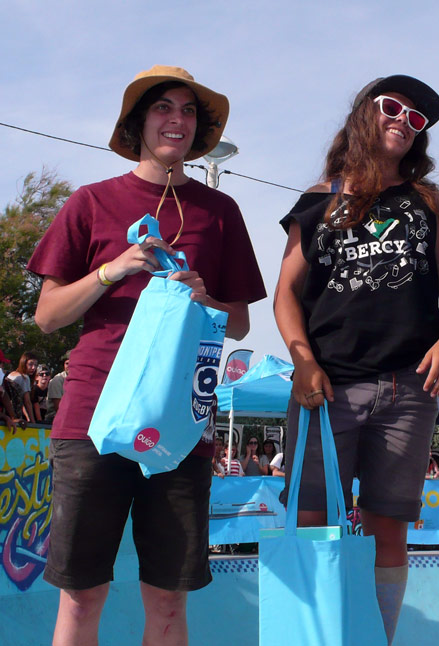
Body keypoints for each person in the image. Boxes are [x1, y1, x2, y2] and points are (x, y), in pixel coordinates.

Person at [27, 64, 266, 646]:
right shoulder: (91, 202)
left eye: (188, 111)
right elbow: (48, 314)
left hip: (179, 425)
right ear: (138, 123)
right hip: (89, 418)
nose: (176, 120)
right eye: (163, 108)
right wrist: (115, 269)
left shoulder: (221, 211)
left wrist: (206, 297)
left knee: (167, 601)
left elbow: (239, 323)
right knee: (81, 599)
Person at [273, 74, 439, 644]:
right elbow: (285, 292)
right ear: (364, 113)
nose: (403, 122)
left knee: (389, 528)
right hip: (325, 386)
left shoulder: (429, 201)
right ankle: (314, 636)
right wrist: (302, 359)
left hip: (408, 389)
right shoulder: (317, 199)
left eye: (417, 120)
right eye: (392, 108)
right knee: (312, 522)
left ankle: (375, 637)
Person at [6, 351, 39, 422]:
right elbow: (27, 402)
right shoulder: (24, 377)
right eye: (30, 364)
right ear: (24, 363)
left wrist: (27, 418)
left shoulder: (11, 374)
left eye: (36, 365)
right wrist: (33, 422)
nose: (34, 368)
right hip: (13, 415)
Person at [46, 351, 70, 422]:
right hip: (55, 419)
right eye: (67, 363)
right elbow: (58, 407)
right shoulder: (57, 380)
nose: (69, 366)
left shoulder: (78, 380)